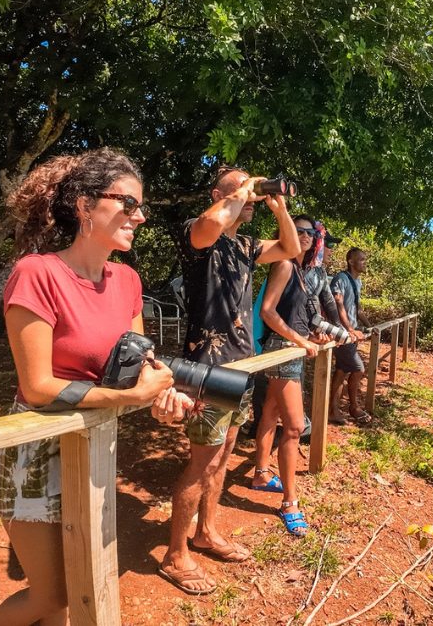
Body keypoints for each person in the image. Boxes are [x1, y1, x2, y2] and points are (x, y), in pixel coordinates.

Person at [0, 148, 193, 626]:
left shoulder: (128, 280)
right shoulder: (38, 273)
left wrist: (161, 395)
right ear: (86, 205)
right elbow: (39, 387)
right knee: (51, 597)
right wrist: (130, 397)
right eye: (128, 203)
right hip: (35, 449)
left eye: (141, 206)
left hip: (93, 446)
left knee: (77, 584)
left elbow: (135, 371)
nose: (141, 215)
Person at [160, 165, 300, 595]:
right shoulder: (198, 233)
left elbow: (291, 249)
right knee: (201, 461)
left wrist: (278, 208)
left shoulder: (244, 245)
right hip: (206, 367)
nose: (248, 193)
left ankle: (208, 530)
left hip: (241, 365)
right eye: (239, 185)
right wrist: (242, 191)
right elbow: (210, 224)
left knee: (223, 456)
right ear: (219, 192)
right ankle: (175, 554)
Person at [253, 214, 326, 537]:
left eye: (310, 232)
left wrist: (312, 335)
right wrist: (300, 340)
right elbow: (267, 311)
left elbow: (294, 315)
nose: (305, 236)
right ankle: (289, 503)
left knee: (270, 411)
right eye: (298, 231)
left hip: (291, 347)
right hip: (282, 350)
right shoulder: (283, 264)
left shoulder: (302, 271)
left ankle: (260, 473)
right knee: (294, 426)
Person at [329, 247, 372, 425]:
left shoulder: (358, 282)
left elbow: (357, 308)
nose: (364, 262)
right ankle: (353, 407)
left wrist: (370, 326)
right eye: (361, 259)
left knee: (341, 371)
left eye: (365, 259)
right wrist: (349, 329)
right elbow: (338, 306)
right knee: (358, 368)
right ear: (351, 261)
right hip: (342, 333)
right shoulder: (340, 279)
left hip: (351, 334)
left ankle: (332, 409)